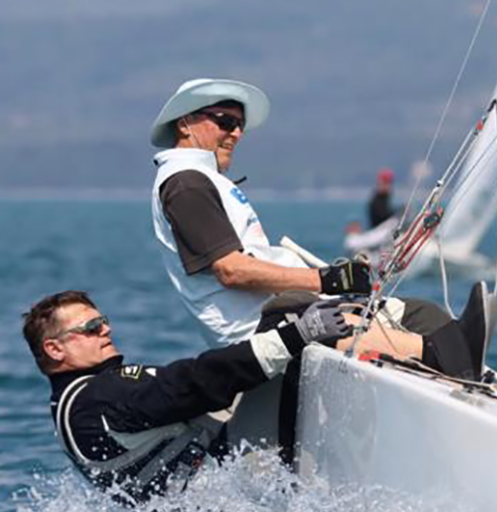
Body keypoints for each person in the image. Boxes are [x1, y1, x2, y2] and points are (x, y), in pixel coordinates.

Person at [23, 289, 488, 503]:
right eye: (90, 327)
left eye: (103, 321)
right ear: (55, 349)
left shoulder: (84, 398)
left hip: (222, 477)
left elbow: (191, 397)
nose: (105, 330)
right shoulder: (94, 402)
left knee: (285, 316)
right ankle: (443, 354)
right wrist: (295, 336)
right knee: (290, 320)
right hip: (235, 486)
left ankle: (428, 345)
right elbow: (190, 384)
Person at [149, 78, 373, 349]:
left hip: (290, 315)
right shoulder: (186, 183)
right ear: (185, 124)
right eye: (225, 122)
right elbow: (231, 270)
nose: (237, 134)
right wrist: (328, 280)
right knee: (419, 343)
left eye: (240, 125)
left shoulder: (200, 178)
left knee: (414, 316)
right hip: (266, 332)